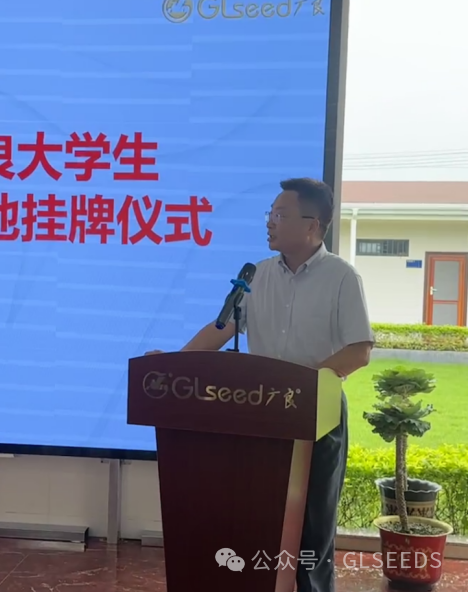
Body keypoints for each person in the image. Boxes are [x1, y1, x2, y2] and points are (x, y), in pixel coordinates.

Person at [147, 177, 374, 593]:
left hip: (317, 415)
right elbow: (223, 328)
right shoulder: (257, 275)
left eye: (280, 215)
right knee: (257, 522)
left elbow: (359, 351)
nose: (270, 222)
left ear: (312, 224)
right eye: (270, 214)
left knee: (312, 528)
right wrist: (174, 365)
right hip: (260, 414)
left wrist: (303, 387)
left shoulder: (342, 277)